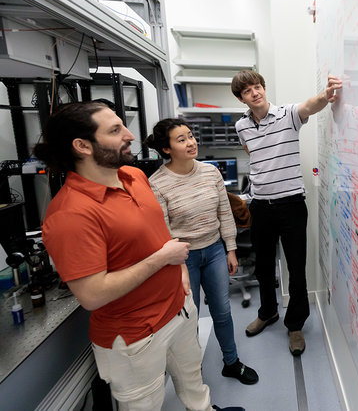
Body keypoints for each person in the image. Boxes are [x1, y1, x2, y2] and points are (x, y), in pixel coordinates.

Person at [35, 101, 244, 411]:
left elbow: (159, 231)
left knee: (194, 385)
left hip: (179, 311)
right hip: (135, 336)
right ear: (82, 146)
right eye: (116, 130)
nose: (130, 135)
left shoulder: (134, 176)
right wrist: (164, 259)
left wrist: (180, 270)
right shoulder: (70, 214)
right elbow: (92, 295)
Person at [231, 70, 341, 355]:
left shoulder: (287, 114)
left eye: (258, 87)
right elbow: (253, 157)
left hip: (291, 205)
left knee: (296, 269)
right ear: (241, 98)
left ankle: (295, 325)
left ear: (264, 89)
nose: (255, 92)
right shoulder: (241, 126)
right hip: (260, 207)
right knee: (264, 268)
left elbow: (311, 105)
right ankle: (268, 312)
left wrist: (326, 96)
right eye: (248, 91)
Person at [145, 118, 258, 384]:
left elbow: (224, 212)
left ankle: (231, 362)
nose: (191, 142)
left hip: (215, 251)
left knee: (222, 311)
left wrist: (231, 249)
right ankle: (193, 376)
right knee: (189, 318)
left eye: (191, 136)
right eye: (181, 139)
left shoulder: (210, 172)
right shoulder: (157, 183)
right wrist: (181, 267)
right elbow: (164, 231)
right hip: (184, 259)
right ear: (166, 149)